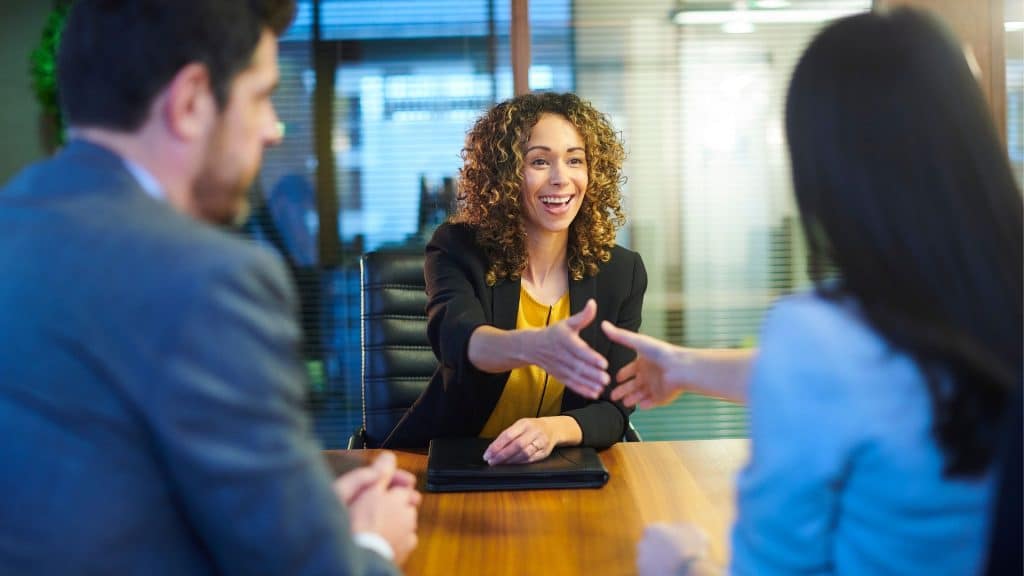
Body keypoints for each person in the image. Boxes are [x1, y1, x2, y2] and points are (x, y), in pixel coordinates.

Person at [0, 1, 419, 574]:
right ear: (192, 101)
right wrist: (371, 544)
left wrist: (307, 518)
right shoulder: (206, 278)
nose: (273, 130)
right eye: (262, 96)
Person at [601, 8, 1022, 575]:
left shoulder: (822, 336)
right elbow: (881, 377)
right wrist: (685, 367)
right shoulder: (987, 302)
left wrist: (679, 566)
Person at [384, 92, 647, 464]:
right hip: (450, 458)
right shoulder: (457, 249)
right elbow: (457, 341)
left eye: (575, 160)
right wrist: (532, 346)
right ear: (505, 175)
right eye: (539, 161)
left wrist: (553, 430)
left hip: (559, 465)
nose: (561, 179)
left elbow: (615, 410)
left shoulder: (621, 272)